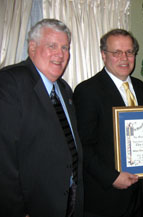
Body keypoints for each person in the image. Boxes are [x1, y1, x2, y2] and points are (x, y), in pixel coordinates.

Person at [0, 19, 83, 217]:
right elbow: (4, 160)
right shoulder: (10, 83)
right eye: (52, 46)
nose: (60, 54)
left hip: (68, 200)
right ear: (32, 47)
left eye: (65, 47)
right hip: (33, 205)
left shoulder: (65, 90)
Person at [73, 29, 143, 217]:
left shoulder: (141, 87)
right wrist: (112, 177)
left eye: (129, 52)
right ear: (104, 55)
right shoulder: (87, 91)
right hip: (104, 197)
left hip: (136, 193)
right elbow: (83, 145)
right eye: (117, 52)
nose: (124, 58)